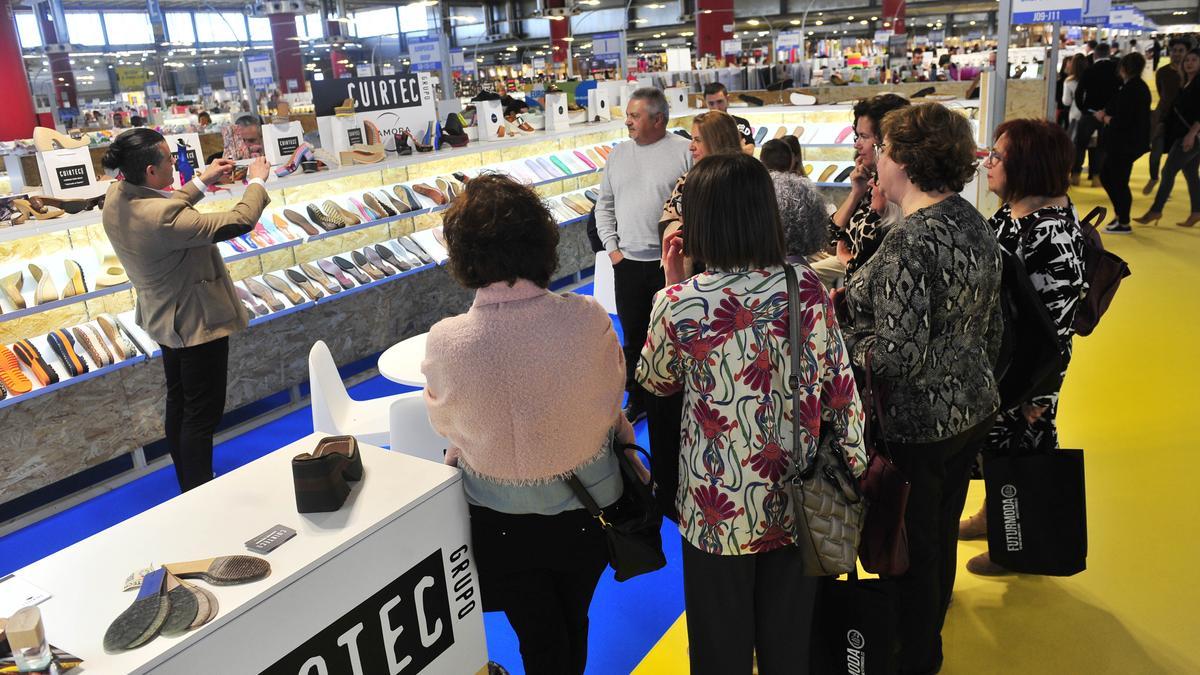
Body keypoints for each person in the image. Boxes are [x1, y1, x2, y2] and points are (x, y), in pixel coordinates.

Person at [637, 153, 866, 675]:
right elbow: (840, 389)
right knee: (789, 645)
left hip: (716, 505)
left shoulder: (680, 304)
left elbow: (657, 381)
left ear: (701, 221)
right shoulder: (805, 287)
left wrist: (672, 283)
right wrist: (852, 470)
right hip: (800, 495)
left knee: (720, 649)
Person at [421, 174, 636, 675]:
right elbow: (610, 398)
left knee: (536, 630)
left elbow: (445, 423)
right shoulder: (587, 318)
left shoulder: (447, 341)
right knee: (572, 618)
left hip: (499, 520)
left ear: (463, 252)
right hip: (588, 505)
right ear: (542, 240)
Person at [841, 102, 1003, 674]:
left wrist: (848, 343)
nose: (874, 159)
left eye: (881, 149)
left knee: (908, 549)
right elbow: (993, 326)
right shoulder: (971, 220)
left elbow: (900, 355)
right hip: (971, 406)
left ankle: (915, 655)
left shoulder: (911, 242)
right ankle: (926, 635)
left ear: (903, 160)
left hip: (918, 421)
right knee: (934, 536)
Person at [100, 129, 271, 492]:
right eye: (168, 158)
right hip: (196, 322)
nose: (177, 163)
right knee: (201, 415)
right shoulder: (160, 218)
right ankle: (198, 491)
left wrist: (202, 181)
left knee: (179, 401)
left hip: (162, 316)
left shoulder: (116, 195)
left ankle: (187, 482)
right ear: (150, 170)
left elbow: (164, 205)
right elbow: (238, 221)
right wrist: (256, 180)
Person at [961, 119, 1088, 575]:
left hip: (1031, 370)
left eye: (998, 156)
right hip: (1006, 362)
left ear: (1027, 166)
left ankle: (1017, 544)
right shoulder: (1017, 214)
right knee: (997, 447)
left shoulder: (1050, 234)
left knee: (1024, 450)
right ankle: (993, 514)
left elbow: (1053, 326)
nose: (988, 162)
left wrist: (1037, 391)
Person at [594, 86, 691, 501]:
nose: (628, 121)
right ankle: (639, 398)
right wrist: (613, 250)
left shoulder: (683, 150)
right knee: (634, 333)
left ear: (658, 118)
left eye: (634, 115)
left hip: (673, 262)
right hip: (629, 262)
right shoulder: (618, 155)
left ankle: (679, 399)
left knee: (677, 333)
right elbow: (604, 204)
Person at [653, 109, 741, 518]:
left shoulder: (742, 177)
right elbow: (670, 221)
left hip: (719, 293)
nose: (690, 146)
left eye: (697, 140)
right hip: (701, 290)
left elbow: (653, 376)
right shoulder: (690, 182)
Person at [820, 93, 911, 286]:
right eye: (857, 136)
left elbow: (878, 265)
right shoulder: (869, 182)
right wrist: (855, 194)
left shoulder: (893, 191)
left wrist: (847, 260)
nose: (856, 144)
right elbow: (829, 237)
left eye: (864, 136)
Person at [1140, 48, 1200, 228]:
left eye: (1194, 60)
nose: (1189, 63)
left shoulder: (1198, 84)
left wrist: (1191, 134)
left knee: (1168, 171)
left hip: (1191, 136)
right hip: (1185, 134)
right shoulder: (1187, 82)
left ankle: (1156, 210)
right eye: (1187, 60)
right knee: (1191, 174)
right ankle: (1196, 212)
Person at [1096, 52, 1151, 234]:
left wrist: (1106, 118)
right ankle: (1120, 215)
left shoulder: (1132, 89)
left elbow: (1123, 120)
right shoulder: (1134, 87)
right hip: (1128, 143)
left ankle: (1123, 220)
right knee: (1110, 176)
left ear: (1125, 68)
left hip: (1125, 144)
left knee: (1117, 180)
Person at [1071, 43, 1121, 187]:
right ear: (1109, 54)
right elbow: (1119, 93)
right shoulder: (1116, 70)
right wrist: (1109, 111)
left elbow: (1079, 93)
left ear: (1094, 55)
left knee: (1080, 145)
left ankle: (1075, 176)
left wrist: (1084, 109)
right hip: (1108, 116)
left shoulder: (1089, 71)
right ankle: (1096, 177)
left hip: (1090, 113)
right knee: (1102, 147)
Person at [1144, 38, 1190, 195]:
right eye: (1174, 50)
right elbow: (1162, 93)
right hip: (1162, 116)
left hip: (1182, 121)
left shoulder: (1192, 74)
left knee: (1175, 158)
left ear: (1187, 53)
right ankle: (1153, 177)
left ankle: (1165, 187)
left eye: (1181, 51)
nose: (1176, 54)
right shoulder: (1163, 72)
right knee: (1155, 152)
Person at [702, 82, 755, 153]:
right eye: (711, 103)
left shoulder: (741, 123)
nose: (716, 107)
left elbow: (750, 150)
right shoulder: (701, 126)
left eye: (720, 101)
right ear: (705, 102)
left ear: (727, 99)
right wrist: (739, 149)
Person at [1061, 53, 1090, 141]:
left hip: (1075, 112)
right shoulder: (1091, 78)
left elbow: (1066, 101)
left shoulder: (1069, 81)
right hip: (1091, 113)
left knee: (1076, 143)